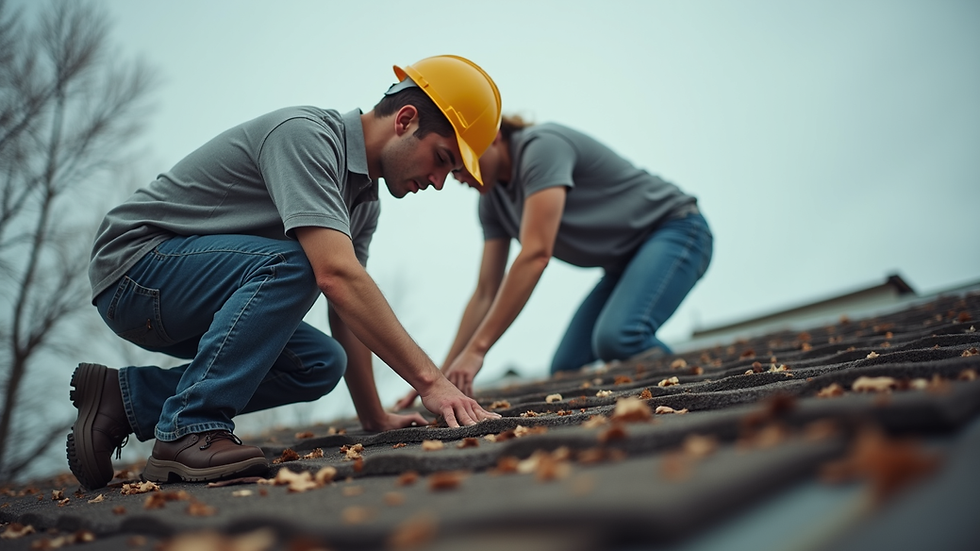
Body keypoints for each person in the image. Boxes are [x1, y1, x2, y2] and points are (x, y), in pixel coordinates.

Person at [67, 55, 503, 490]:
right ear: (405, 120)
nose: (440, 181)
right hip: (137, 270)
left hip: (187, 297)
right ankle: (188, 427)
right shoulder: (306, 136)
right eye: (442, 158)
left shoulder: (363, 203)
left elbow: (347, 305)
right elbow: (335, 275)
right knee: (301, 262)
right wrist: (432, 382)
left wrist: (374, 417)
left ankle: (123, 400)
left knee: (319, 363)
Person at [397, 116, 712, 404]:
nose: (457, 176)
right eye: (452, 169)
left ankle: (697, 394)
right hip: (623, 265)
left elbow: (536, 254)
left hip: (677, 229)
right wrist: (439, 375)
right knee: (566, 367)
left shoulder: (541, 148)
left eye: (462, 163)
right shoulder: (491, 203)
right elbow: (485, 292)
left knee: (619, 337)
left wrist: (477, 350)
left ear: (492, 137)